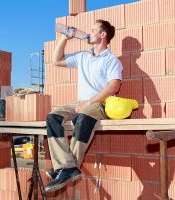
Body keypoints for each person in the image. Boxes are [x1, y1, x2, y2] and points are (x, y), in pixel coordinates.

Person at [45, 19, 123, 192]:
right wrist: (65, 38)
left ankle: (66, 167)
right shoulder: (83, 56)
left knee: (83, 116)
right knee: (52, 117)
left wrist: (89, 102)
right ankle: (67, 166)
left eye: (93, 29)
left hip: (100, 104)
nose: (89, 32)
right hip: (80, 103)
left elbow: (113, 87)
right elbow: (56, 61)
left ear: (103, 35)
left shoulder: (111, 60)